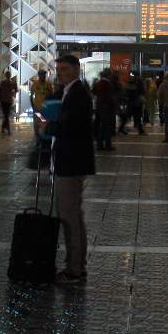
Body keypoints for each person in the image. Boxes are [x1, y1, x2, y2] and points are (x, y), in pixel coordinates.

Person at [51, 54, 95, 284]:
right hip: (70, 161)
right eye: (59, 69)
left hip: (71, 162)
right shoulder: (68, 92)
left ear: (77, 69)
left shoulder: (78, 94)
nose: (61, 73)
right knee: (74, 216)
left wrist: (51, 124)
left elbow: (70, 127)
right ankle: (78, 265)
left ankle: (74, 270)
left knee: (69, 217)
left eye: (66, 69)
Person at [92, 70, 117, 151]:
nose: (111, 76)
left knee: (102, 127)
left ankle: (100, 145)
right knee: (107, 127)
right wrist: (113, 103)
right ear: (107, 75)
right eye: (110, 74)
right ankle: (107, 145)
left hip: (100, 107)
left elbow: (94, 92)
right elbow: (108, 97)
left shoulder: (99, 83)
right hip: (106, 107)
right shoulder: (106, 83)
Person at [0, 69, 17, 136]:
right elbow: (16, 90)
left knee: (5, 115)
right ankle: (7, 129)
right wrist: (12, 93)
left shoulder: (3, 82)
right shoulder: (11, 83)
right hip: (7, 100)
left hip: (5, 100)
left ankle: (4, 128)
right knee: (6, 115)